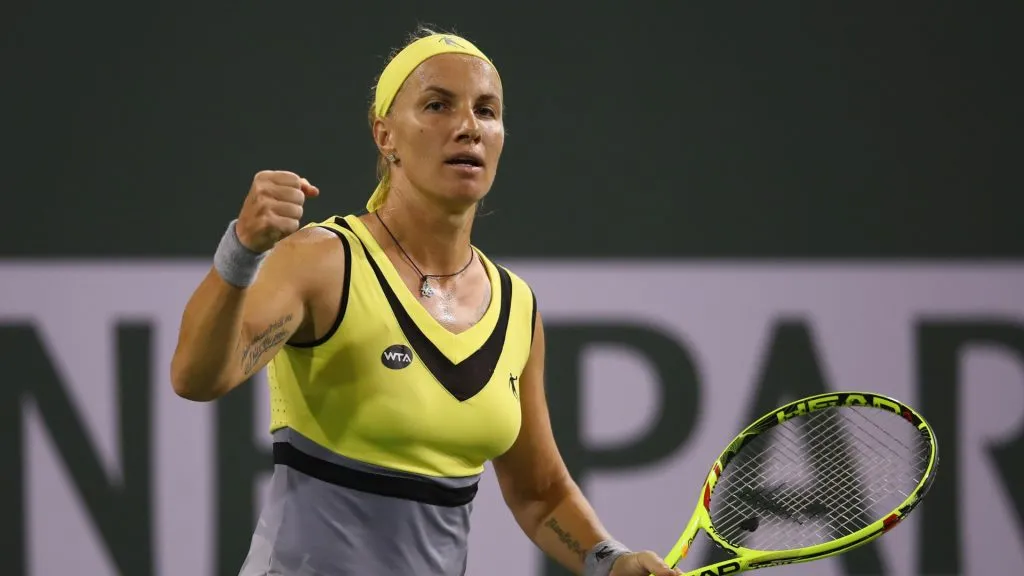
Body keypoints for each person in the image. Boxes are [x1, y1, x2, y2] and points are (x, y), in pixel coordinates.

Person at [170, 26, 680, 576]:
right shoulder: (324, 261)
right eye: (438, 106)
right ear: (384, 134)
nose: (468, 128)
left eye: (487, 111)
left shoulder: (515, 307)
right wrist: (241, 252)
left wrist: (611, 559)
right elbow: (197, 378)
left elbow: (539, 492)